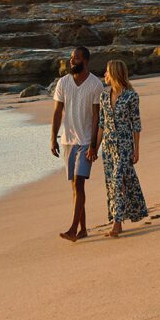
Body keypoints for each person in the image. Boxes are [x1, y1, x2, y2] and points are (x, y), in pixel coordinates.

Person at [51, 46, 104, 242]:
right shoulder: (63, 82)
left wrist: (93, 146)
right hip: (67, 141)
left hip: (85, 141)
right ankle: (83, 229)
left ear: (86, 61)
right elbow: (57, 112)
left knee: (79, 182)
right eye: (71, 58)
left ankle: (73, 229)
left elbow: (98, 116)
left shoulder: (95, 84)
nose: (72, 61)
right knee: (75, 186)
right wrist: (53, 138)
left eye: (76, 59)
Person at [93, 59, 148, 237]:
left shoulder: (132, 96)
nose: (105, 75)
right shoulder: (103, 97)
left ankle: (116, 224)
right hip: (108, 147)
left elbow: (136, 125)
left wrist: (136, 150)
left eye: (107, 72)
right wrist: (95, 148)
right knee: (113, 184)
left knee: (118, 182)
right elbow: (102, 124)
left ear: (115, 73)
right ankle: (120, 219)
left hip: (125, 146)